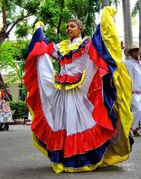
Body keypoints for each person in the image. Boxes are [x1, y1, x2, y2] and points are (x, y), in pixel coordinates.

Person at [24, 7, 133, 173]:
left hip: (80, 89)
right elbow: (44, 48)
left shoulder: (87, 43)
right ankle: (64, 157)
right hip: (62, 90)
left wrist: (104, 21)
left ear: (80, 29)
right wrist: (39, 31)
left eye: (72, 26)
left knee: (80, 121)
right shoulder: (62, 46)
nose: (69, 29)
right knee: (63, 122)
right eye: (67, 27)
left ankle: (82, 158)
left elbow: (99, 48)